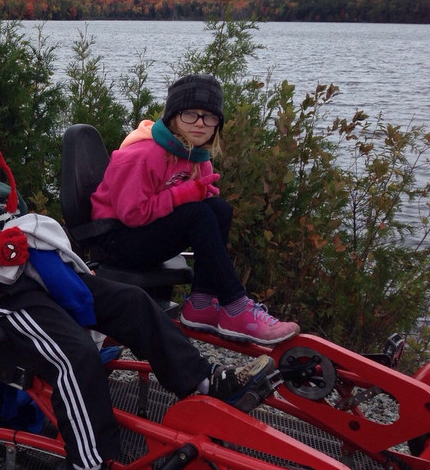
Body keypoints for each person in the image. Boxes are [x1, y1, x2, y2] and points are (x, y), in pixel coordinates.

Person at [0, 93, 277, 470]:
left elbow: (29, 236)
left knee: (131, 302)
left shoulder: (1, 190)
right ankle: (87, 469)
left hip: (37, 279)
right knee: (73, 358)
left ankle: (203, 381)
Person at [89, 74, 299, 345]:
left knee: (218, 208)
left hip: (143, 236)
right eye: (190, 114)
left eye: (209, 117)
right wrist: (182, 195)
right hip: (116, 241)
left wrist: (192, 197)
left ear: (217, 125)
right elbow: (131, 215)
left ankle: (201, 302)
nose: (200, 123)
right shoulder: (141, 156)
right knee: (197, 212)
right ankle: (236, 306)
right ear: (174, 117)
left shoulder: (198, 158)